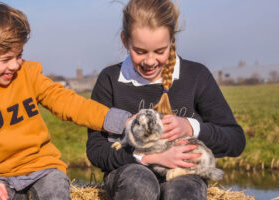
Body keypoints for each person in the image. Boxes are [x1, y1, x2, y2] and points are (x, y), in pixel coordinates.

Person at [0, 2, 132, 200]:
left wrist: (122, 121)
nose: (15, 65)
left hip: (42, 170)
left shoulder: (28, 74)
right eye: (5, 59)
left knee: (55, 191)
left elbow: (68, 103)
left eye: (19, 55)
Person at [86, 0, 246, 199]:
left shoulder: (197, 76)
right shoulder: (109, 79)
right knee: (138, 185)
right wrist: (148, 158)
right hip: (128, 171)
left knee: (182, 192)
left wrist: (191, 127)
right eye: (140, 51)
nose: (150, 61)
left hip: (183, 173)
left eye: (160, 51)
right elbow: (96, 149)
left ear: (172, 40)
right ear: (125, 41)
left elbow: (235, 140)